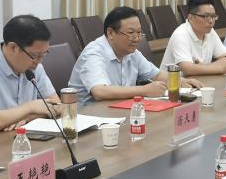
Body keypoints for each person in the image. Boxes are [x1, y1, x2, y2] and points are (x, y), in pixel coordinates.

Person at [70, 6, 201, 106]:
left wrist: (180, 81)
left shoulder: (131, 52)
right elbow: (100, 92)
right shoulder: (93, 53)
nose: (137, 39)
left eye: (139, 33)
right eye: (131, 33)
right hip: (90, 117)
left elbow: (156, 75)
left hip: (119, 109)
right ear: (110, 33)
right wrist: (144, 90)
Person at [160, 0, 226, 76]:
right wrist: (219, 68)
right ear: (191, 18)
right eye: (206, 16)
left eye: (213, 16)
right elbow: (188, 70)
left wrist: (201, 68)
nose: (211, 21)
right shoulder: (181, 34)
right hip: (172, 82)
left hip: (198, 80)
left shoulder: (210, 32)